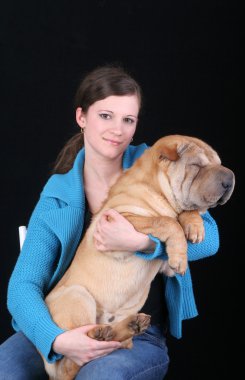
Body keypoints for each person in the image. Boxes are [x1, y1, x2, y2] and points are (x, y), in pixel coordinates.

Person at [0, 65, 219, 379]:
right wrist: (57, 339)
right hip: (63, 319)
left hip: (138, 333)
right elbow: (22, 286)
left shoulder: (159, 162)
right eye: (105, 116)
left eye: (127, 119)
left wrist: (143, 243)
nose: (118, 129)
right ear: (81, 117)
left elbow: (210, 238)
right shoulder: (58, 196)